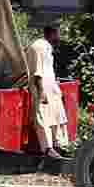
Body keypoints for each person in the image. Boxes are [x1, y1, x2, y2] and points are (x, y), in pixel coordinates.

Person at [25, 24, 69, 158]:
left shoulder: (47, 47)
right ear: (53, 33)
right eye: (59, 34)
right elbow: (37, 73)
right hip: (42, 89)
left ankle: (58, 145)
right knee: (42, 118)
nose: (60, 38)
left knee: (56, 116)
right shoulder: (38, 46)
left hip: (51, 89)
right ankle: (48, 148)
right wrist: (41, 91)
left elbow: (48, 70)